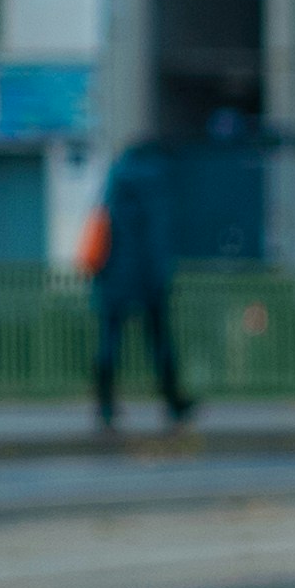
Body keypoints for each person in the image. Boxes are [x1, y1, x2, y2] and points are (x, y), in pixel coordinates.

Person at [86, 135, 192, 436]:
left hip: (113, 273)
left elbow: (104, 222)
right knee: (159, 341)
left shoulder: (117, 176)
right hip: (146, 275)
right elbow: (159, 233)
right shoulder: (157, 179)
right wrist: (163, 276)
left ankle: (105, 406)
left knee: (109, 341)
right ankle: (172, 403)